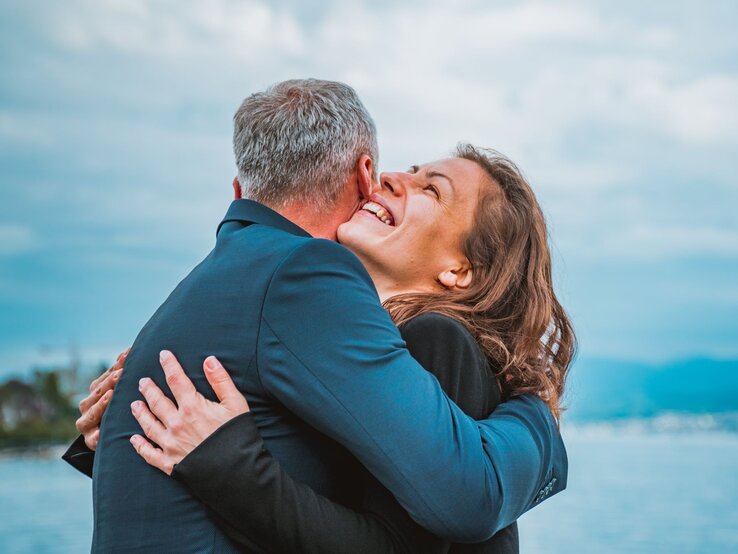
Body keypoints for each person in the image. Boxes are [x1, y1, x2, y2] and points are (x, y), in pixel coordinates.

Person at [63, 79, 568, 552]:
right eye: (408, 169)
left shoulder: (435, 340)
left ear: (462, 269)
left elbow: (444, 515)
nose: (392, 180)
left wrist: (538, 418)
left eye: (432, 189)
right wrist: (128, 428)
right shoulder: (331, 331)